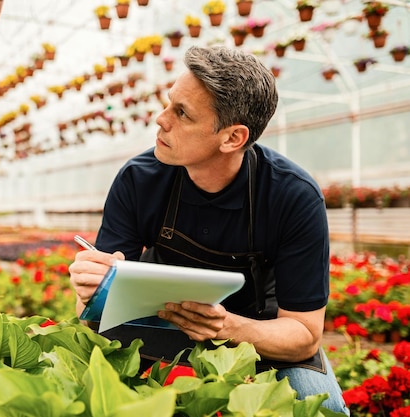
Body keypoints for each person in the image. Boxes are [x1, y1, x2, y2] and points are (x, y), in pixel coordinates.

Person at [69, 46, 349, 415]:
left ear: (232, 138)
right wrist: (92, 287)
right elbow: (89, 315)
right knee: (82, 387)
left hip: (257, 336)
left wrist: (226, 327)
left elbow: (303, 336)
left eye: (181, 113)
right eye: (169, 103)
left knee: (322, 404)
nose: (160, 119)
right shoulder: (140, 179)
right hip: (160, 323)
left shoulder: (292, 196)